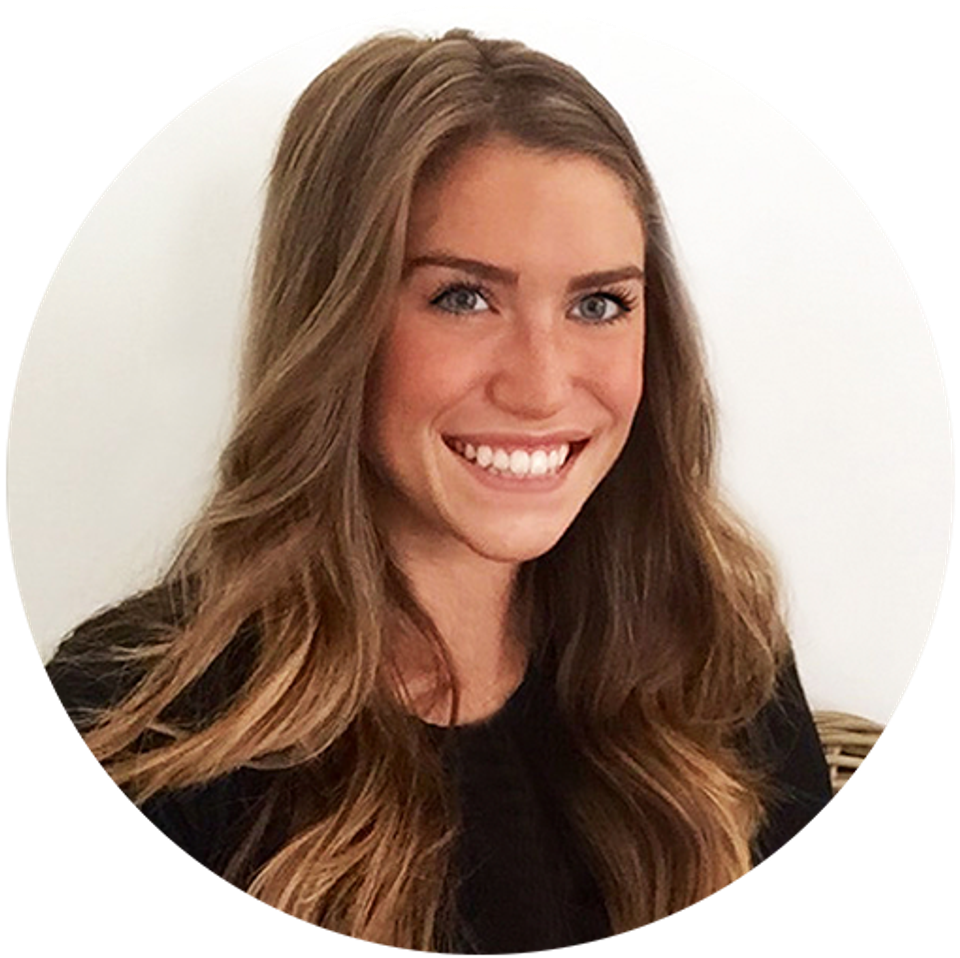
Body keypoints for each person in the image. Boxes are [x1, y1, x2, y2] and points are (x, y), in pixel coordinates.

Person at [44, 28, 832, 953]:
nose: (542, 387)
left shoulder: (713, 648)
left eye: (599, 304)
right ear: (332, 322)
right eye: (463, 297)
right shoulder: (143, 726)